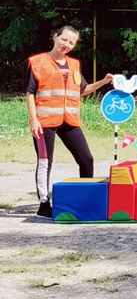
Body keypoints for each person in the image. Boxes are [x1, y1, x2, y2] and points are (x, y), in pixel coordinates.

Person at [26, 26, 114, 218]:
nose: (66, 45)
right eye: (64, 40)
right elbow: (30, 93)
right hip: (44, 120)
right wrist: (34, 120)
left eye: (71, 42)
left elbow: (83, 89)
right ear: (56, 37)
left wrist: (103, 81)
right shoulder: (38, 62)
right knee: (45, 162)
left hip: (69, 120)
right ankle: (43, 205)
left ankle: (85, 199)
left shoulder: (74, 65)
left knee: (87, 159)